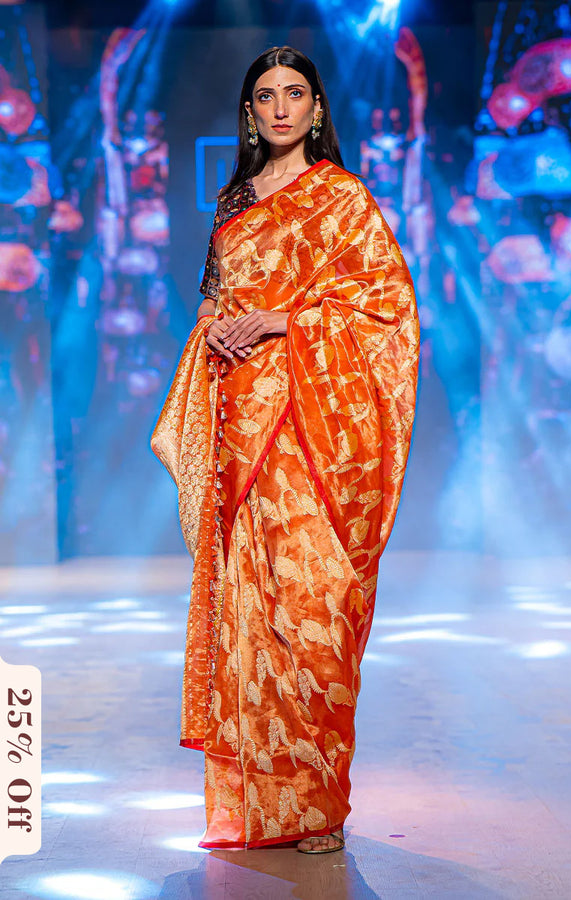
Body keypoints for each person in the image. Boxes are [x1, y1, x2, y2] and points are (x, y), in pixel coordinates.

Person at [151, 46, 420, 854]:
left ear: (316, 109)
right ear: (249, 112)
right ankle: (271, 805)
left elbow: (384, 313)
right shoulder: (235, 202)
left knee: (314, 612)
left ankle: (322, 804)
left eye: (293, 94)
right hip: (242, 426)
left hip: (310, 434)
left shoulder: (341, 200)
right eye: (264, 96)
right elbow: (213, 299)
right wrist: (218, 327)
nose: (278, 108)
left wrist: (280, 322)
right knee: (254, 619)